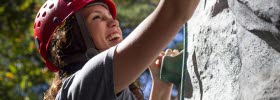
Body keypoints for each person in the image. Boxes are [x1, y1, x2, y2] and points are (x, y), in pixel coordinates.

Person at [33, 0, 199, 100]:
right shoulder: (84, 86)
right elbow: (173, 11)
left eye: (111, 18)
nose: (115, 23)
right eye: (97, 17)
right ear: (72, 37)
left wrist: (161, 87)